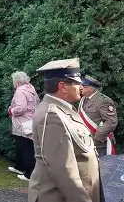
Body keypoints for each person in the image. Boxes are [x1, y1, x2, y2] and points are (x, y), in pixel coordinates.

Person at [28, 58, 101, 202]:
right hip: (60, 197)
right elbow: (63, 170)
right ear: (63, 86)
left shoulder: (62, 109)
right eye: (77, 83)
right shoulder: (52, 116)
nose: (81, 87)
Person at [7, 71, 38, 181]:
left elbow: (21, 108)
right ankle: (19, 167)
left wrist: (11, 110)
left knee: (26, 147)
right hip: (30, 121)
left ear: (17, 81)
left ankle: (30, 174)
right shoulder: (30, 88)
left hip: (23, 122)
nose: (13, 83)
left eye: (13, 80)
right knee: (22, 146)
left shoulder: (20, 91)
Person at [78, 75, 117, 157]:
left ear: (91, 89)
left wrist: (97, 139)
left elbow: (111, 122)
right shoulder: (83, 99)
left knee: (102, 168)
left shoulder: (104, 101)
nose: (80, 88)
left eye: (83, 86)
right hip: (85, 141)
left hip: (100, 144)